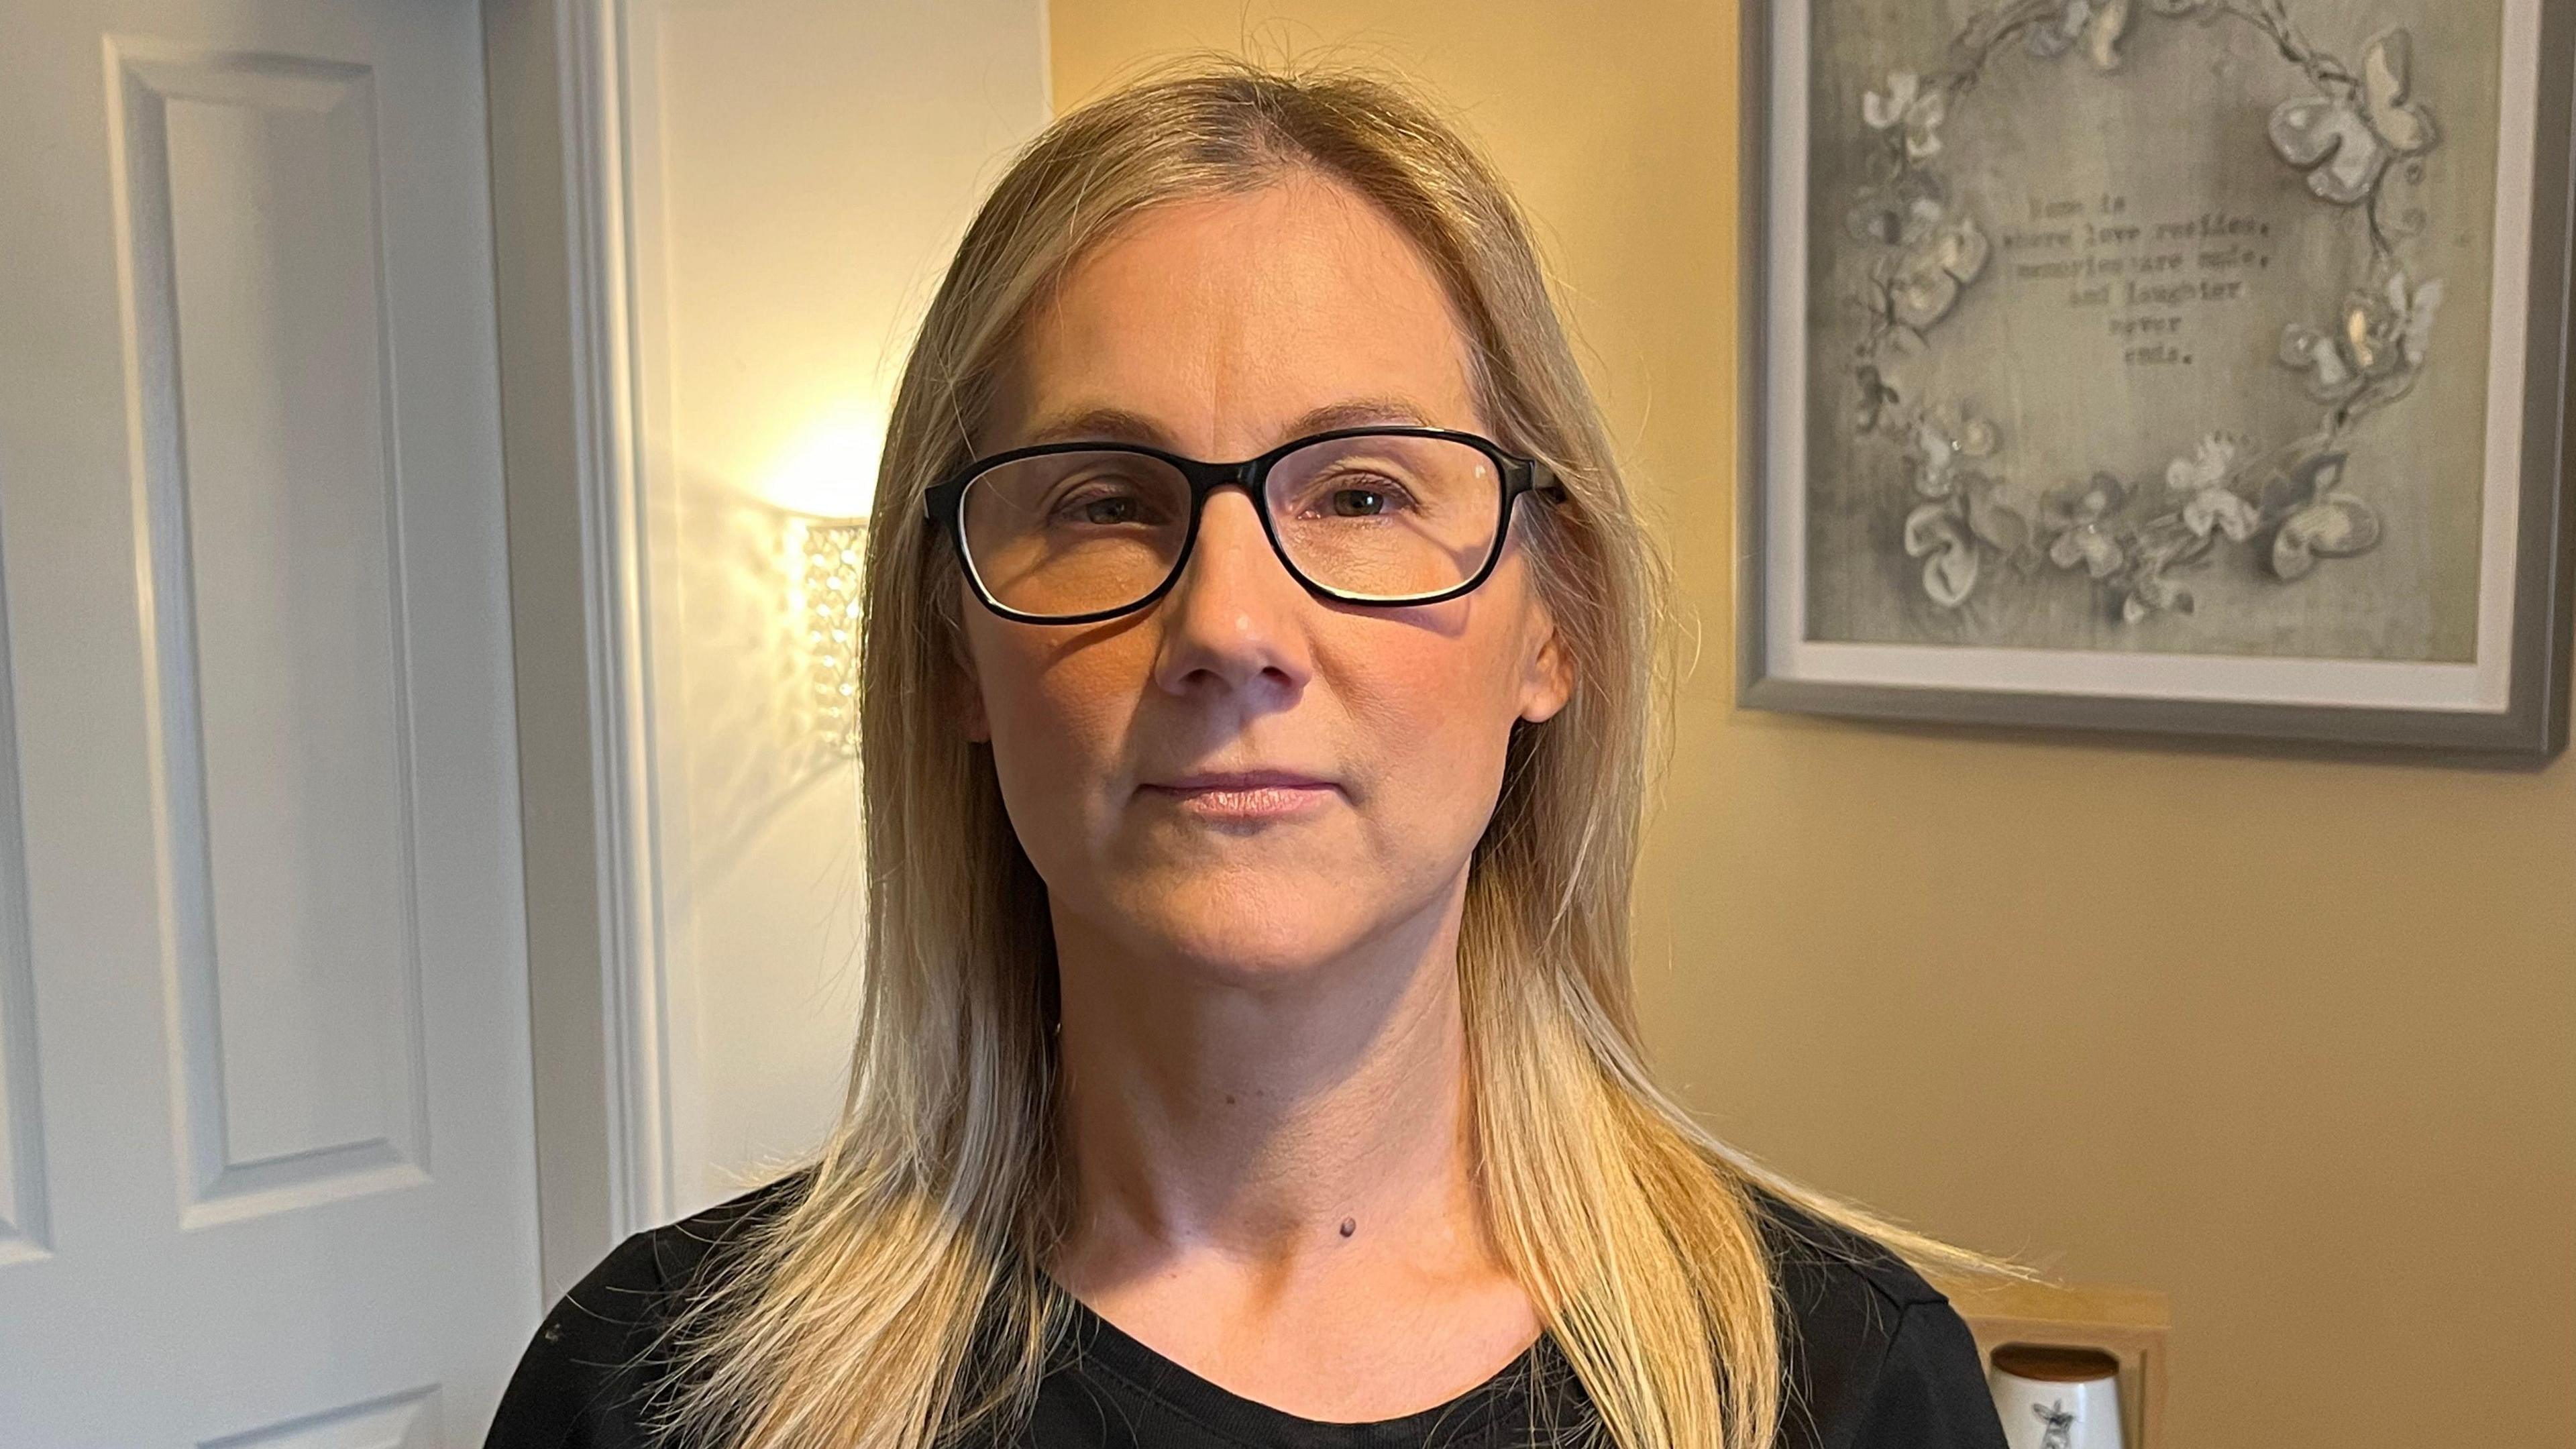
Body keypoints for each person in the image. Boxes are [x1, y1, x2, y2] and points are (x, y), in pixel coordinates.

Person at [486, 56, 2014, 1449]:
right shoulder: (657, 1391)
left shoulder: (1835, 1387)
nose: (1229, 622)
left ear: (1557, 626)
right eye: (1102, 500)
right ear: (955, 644)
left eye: (1360, 494)